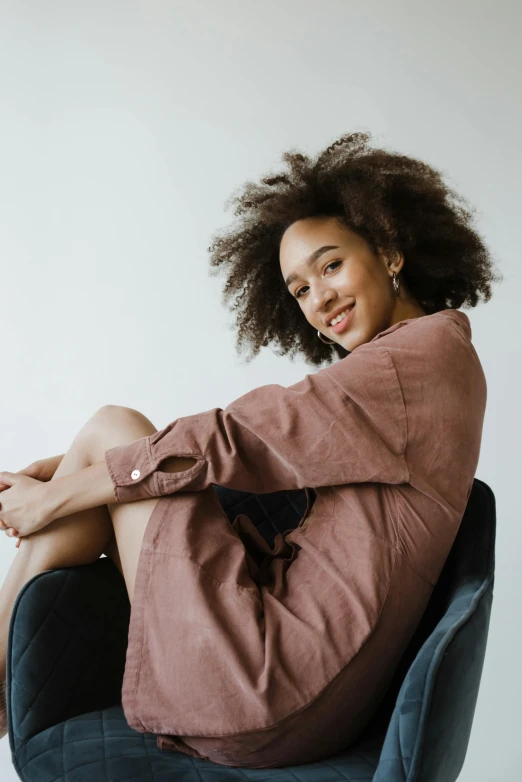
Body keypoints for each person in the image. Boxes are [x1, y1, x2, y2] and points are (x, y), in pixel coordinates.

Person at [0, 131, 501, 766]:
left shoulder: (420, 355)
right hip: (306, 701)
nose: (319, 299)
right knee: (115, 447)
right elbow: (248, 451)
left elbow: (242, 436)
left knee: (113, 425)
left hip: (267, 682)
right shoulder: (424, 363)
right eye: (298, 289)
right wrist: (82, 473)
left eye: (331, 265)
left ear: (391, 250)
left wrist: (52, 501)